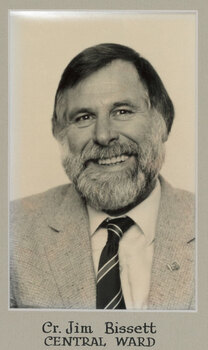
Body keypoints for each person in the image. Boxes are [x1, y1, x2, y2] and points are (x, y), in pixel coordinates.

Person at [10, 43, 195, 310]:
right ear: (59, 133)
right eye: (84, 117)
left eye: (122, 111)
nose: (103, 135)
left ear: (164, 120)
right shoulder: (14, 231)